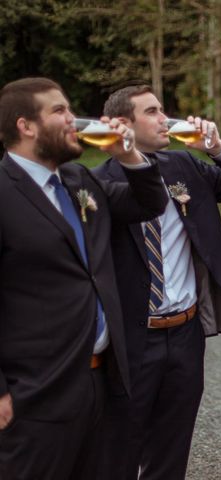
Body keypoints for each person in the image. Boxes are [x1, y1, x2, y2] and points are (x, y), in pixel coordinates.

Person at [93, 85, 221, 480]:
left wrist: (217, 147)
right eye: (152, 111)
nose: (163, 119)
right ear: (123, 124)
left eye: (162, 110)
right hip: (133, 338)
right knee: (119, 449)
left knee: (172, 450)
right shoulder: (99, 182)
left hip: (185, 335)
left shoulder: (184, 167)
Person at [0, 77, 167, 479]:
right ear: (27, 126)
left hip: (101, 384)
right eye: (59, 111)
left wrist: (127, 155)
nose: (73, 119)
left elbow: (150, 202)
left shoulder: (78, 181)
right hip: (37, 392)